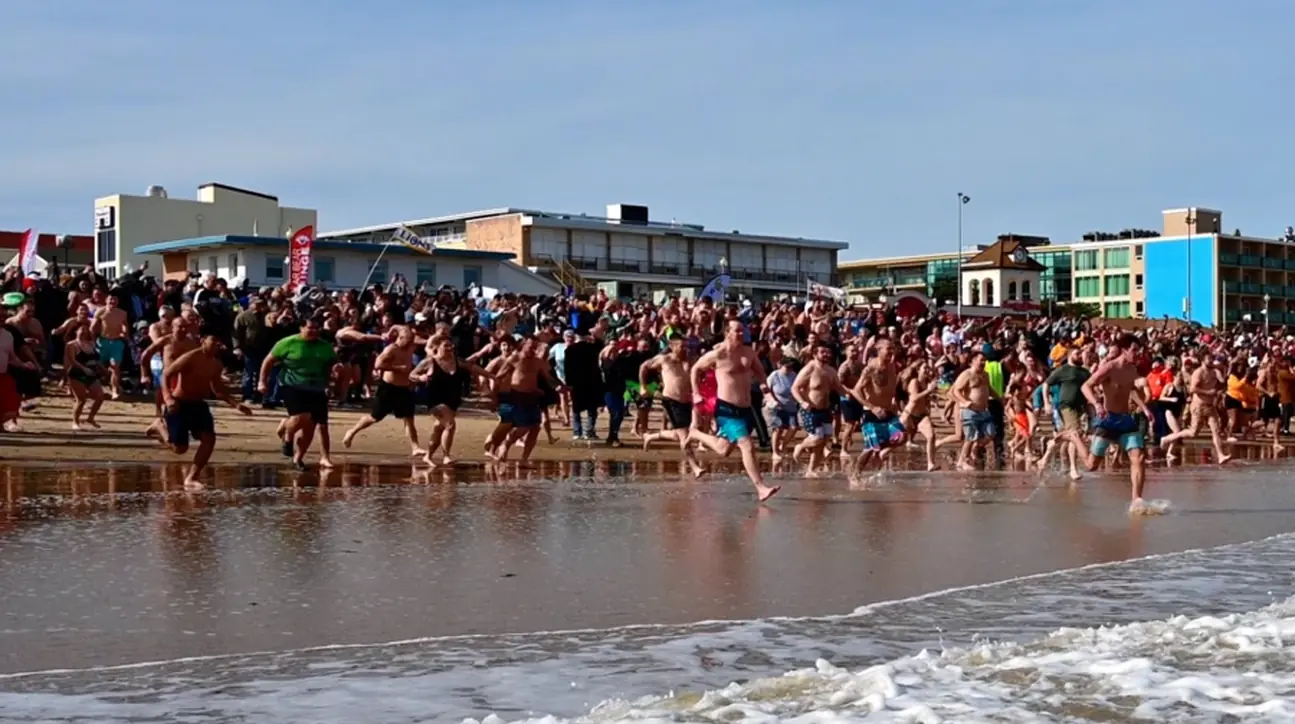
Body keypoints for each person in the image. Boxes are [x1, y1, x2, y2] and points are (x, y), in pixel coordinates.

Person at [1060, 334, 1156, 512]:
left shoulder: (1131, 369)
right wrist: (1097, 404)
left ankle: (1137, 500)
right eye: (1134, 350)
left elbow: (1131, 390)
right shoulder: (1109, 368)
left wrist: (1145, 408)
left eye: (1139, 350)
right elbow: (1086, 386)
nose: (1137, 354)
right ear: (1124, 350)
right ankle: (1074, 437)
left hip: (1126, 419)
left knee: (1139, 457)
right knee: (1091, 465)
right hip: (1107, 419)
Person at [688, 320, 780, 502]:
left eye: (742, 330)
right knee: (747, 445)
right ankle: (761, 488)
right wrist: (696, 393)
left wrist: (765, 389)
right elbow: (695, 369)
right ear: (727, 333)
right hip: (726, 409)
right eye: (737, 331)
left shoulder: (749, 352)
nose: (741, 334)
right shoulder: (718, 354)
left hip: (745, 408)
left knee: (724, 450)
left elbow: (760, 373)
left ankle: (695, 433)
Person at [162, 335, 253, 488]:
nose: (216, 344)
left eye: (219, 342)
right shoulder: (190, 357)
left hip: (199, 405)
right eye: (213, 340)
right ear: (203, 341)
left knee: (209, 439)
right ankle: (159, 427)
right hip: (180, 404)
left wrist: (236, 404)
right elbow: (166, 374)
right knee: (180, 449)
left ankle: (191, 478)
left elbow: (217, 389)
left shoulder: (216, 364)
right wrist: (167, 398)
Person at [259, 317, 337, 470]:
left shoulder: (325, 346)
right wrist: (262, 381)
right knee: (303, 416)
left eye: (316, 328)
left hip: (317, 387)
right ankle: (288, 436)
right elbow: (268, 361)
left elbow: (330, 366)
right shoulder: (287, 343)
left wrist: (331, 381)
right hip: (292, 385)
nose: (314, 331)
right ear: (301, 328)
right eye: (310, 328)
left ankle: (298, 459)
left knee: (310, 426)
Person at [342, 325, 424, 456]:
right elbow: (378, 365)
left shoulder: (411, 346)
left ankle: (415, 447)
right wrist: (398, 368)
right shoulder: (391, 349)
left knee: (409, 418)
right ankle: (352, 431)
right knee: (375, 417)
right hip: (388, 388)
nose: (410, 343)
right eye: (408, 340)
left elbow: (401, 327)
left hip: (404, 388)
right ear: (400, 338)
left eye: (411, 340)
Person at [638, 333, 706, 478]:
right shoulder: (665, 359)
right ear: (672, 346)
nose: (685, 349)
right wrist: (643, 387)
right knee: (684, 435)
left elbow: (704, 368)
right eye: (682, 347)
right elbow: (644, 366)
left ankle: (650, 437)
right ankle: (695, 467)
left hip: (687, 401)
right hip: (671, 400)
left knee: (679, 434)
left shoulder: (691, 360)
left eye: (686, 347)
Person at [412, 338, 488, 467]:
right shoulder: (430, 362)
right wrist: (421, 377)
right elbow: (412, 374)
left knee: (439, 429)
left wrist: (491, 376)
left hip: (452, 400)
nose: (449, 348)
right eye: (446, 346)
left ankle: (428, 456)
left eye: (450, 345)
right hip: (435, 401)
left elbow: (473, 367)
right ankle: (446, 456)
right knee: (450, 425)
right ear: (437, 347)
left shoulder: (457, 361)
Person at [1158, 349, 1232, 465]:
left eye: (1212, 359)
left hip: (1210, 406)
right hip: (1198, 406)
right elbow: (1193, 389)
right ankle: (1167, 439)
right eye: (1209, 359)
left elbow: (1221, 384)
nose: (1211, 361)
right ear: (1203, 360)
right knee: (1193, 433)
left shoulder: (1214, 372)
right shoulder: (1198, 372)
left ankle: (1220, 455)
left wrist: (1222, 376)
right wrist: (1208, 392)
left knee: (1216, 430)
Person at [850, 338, 908, 473]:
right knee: (871, 447)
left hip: (888, 412)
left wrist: (894, 402)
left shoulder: (892, 365)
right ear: (879, 350)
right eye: (888, 349)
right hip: (871, 413)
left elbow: (891, 387)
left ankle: (882, 452)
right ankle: (855, 474)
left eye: (892, 348)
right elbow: (855, 391)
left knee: (901, 436)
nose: (891, 352)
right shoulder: (870, 368)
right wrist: (872, 407)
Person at [790, 342, 848, 476]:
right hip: (810, 409)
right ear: (815, 354)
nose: (826, 355)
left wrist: (849, 395)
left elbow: (838, 387)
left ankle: (811, 470)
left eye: (828, 352)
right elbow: (794, 388)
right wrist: (802, 402)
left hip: (825, 409)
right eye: (823, 352)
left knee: (825, 438)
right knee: (817, 438)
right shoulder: (809, 369)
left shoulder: (831, 370)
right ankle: (800, 446)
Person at [949, 349, 994, 471]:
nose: (984, 362)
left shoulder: (985, 374)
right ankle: (961, 461)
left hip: (983, 411)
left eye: (985, 360)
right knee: (970, 437)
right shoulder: (966, 374)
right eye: (981, 360)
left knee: (991, 433)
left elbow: (989, 388)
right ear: (973, 361)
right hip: (970, 411)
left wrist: (999, 397)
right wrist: (964, 401)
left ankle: (974, 448)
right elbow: (955, 391)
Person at [64, 324, 105, 430]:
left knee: (100, 395)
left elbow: (96, 359)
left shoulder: (91, 344)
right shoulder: (71, 345)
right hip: (77, 374)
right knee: (81, 400)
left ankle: (90, 417)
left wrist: (103, 368)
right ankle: (75, 422)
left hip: (91, 373)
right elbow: (73, 360)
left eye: (86, 330)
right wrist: (84, 369)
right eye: (82, 329)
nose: (84, 332)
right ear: (76, 331)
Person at [91, 293, 129, 399]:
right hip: (102, 342)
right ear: (106, 300)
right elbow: (93, 328)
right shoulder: (100, 311)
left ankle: (114, 390)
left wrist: (124, 333)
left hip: (116, 342)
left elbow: (125, 326)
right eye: (111, 299)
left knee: (115, 366)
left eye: (115, 300)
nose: (113, 302)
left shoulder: (122, 313)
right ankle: (96, 388)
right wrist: (93, 341)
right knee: (99, 367)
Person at [761, 356, 799, 465]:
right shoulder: (774, 375)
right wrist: (773, 400)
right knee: (778, 429)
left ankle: (783, 445)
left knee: (793, 427)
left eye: (791, 367)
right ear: (781, 366)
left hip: (790, 405)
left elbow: (797, 387)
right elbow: (765, 389)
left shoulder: (794, 375)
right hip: (776, 406)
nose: (790, 369)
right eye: (787, 367)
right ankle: (775, 452)